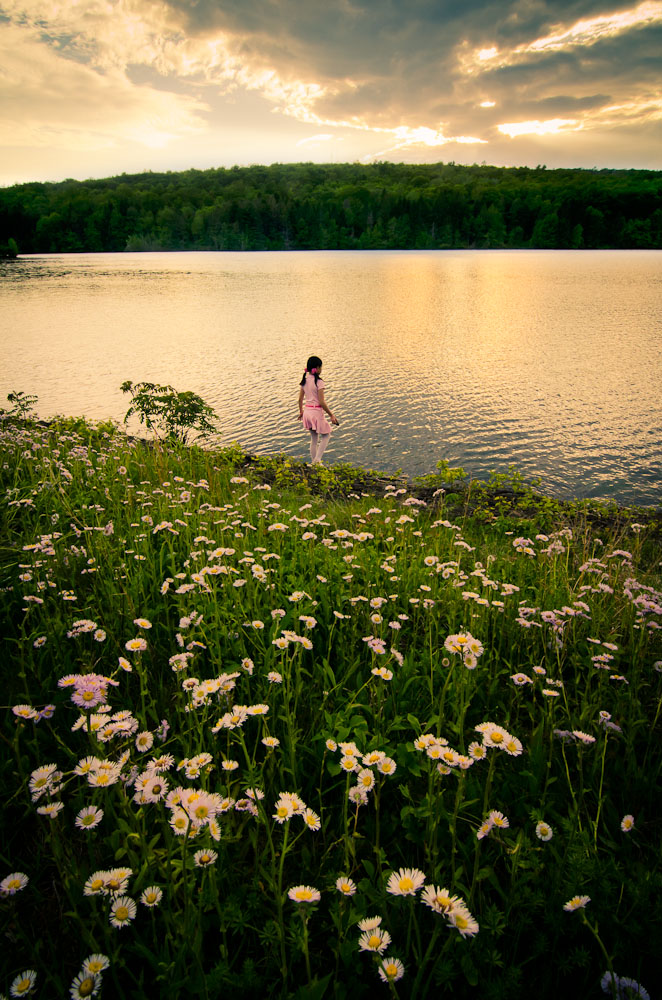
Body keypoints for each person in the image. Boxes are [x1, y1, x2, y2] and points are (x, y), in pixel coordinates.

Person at [297, 355, 339, 465]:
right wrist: (331, 415)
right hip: (316, 412)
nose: (321, 369)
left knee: (314, 439)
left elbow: (300, 399)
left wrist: (301, 412)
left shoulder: (304, 381)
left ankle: (314, 463)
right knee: (326, 435)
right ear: (317, 368)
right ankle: (317, 460)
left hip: (307, 412)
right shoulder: (319, 382)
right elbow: (322, 402)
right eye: (321, 367)